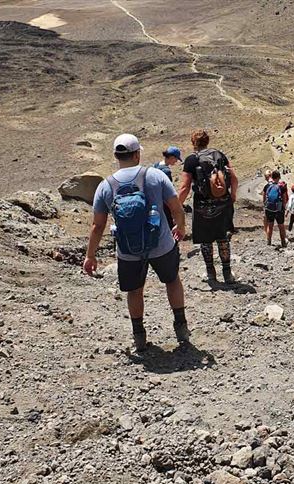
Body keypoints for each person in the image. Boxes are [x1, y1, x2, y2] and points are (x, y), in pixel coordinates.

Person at [83, 133, 189, 349]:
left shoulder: (105, 186)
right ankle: (181, 327)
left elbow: (98, 225)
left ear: (116, 156)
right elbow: (175, 207)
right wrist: (181, 226)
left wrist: (90, 255)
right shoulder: (156, 176)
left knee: (134, 290)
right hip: (161, 244)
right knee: (172, 280)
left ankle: (139, 336)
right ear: (138, 154)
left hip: (128, 250)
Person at [177, 129, 239, 283]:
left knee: (206, 240)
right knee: (223, 238)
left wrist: (176, 206)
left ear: (193, 142)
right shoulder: (219, 155)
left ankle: (211, 273)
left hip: (202, 206)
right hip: (223, 203)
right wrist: (232, 196)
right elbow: (234, 178)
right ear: (207, 141)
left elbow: (184, 188)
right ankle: (227, 273)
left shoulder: (191, 160)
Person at [262, 171, 289, 248]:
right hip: (279, 209)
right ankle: (283, 242)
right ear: (279, 177)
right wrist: (283, 208)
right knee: (281, 226)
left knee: (270, 226)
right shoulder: (281, 187)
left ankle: (269, 241)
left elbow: (264, 199)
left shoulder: (267, 186)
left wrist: (266, 207)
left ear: (271, 177)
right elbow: (284, 200)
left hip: (269, 209)